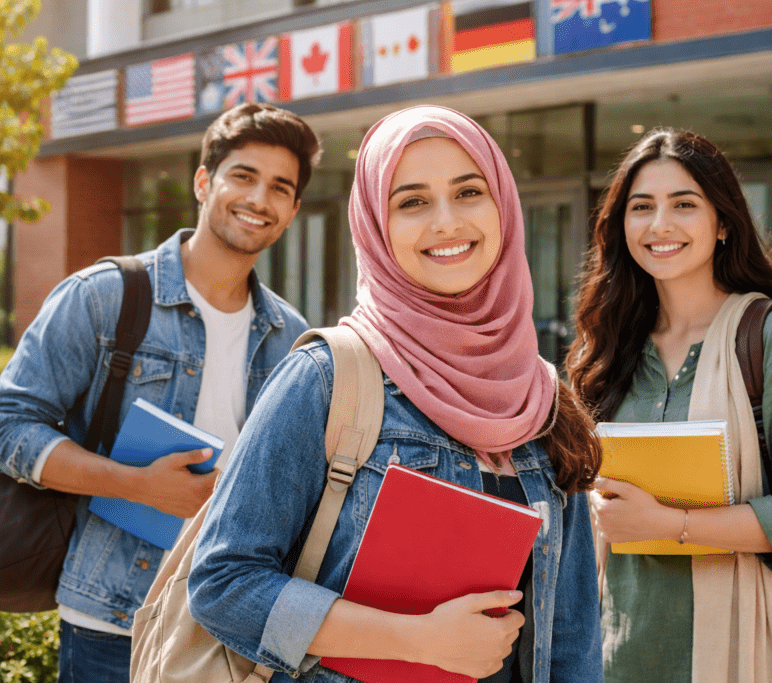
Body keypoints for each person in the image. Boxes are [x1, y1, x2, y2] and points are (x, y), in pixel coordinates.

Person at [187, 105, 604, 683]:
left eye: (469, 192)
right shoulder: (326, 376)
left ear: (503, 205)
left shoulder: (540, 399)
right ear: (375, 228)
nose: (446, 222)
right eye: (411, 202)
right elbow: (222, 583)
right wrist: (416, 641)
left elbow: (570, 637)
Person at [0, 102, 320, 683]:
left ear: (291, 210)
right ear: (203, 181)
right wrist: (139, 486)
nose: (259, 199)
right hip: (113, 620)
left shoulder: (293, 337)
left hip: (230, 627)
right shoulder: (104, 295)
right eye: (243, 176)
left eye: (279, 188)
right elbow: (7, 430)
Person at [565, 128, 772, 683]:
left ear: (722, 224)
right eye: (641, 207)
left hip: (749, 648)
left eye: (684, 204)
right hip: (620, 650)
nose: (659, 225)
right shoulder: (607, 348)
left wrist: (669, 524)